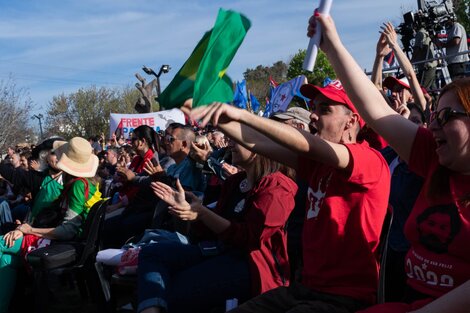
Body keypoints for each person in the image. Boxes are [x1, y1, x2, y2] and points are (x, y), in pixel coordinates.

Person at [305, 11, 470, 312]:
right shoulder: (434, 157)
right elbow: (375, 110)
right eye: (434, 117)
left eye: (446, 117)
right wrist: (332, 45)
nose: (432, 127)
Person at [185, 71, 390, 312]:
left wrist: (242, 115)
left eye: (324, 109)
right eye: (314, 107)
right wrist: (212, 114)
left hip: (344, 298)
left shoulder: (369, 159)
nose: (313, 115)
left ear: (351, 121)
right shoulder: (318, 165)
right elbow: (255, 142)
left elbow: (309, 144)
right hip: (302, 289)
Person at [136, 141, 297, 313]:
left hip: (250, 266)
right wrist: (193, 215)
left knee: (175, 288)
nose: (231, 145)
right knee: (151, 253)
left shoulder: (278, 186)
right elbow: (210, 231)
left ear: (258, 148)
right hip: (218, 251)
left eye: (238, 140)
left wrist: (203, 213)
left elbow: (250, 237)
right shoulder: (234, 182)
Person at [0, 137, 100, 313]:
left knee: (2, 243)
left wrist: (29, 230)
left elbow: (67, 230)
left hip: (62, 243)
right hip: (62, 240)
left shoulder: (77, 185)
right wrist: (24, 228)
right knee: (7, 258)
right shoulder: (86, 183)